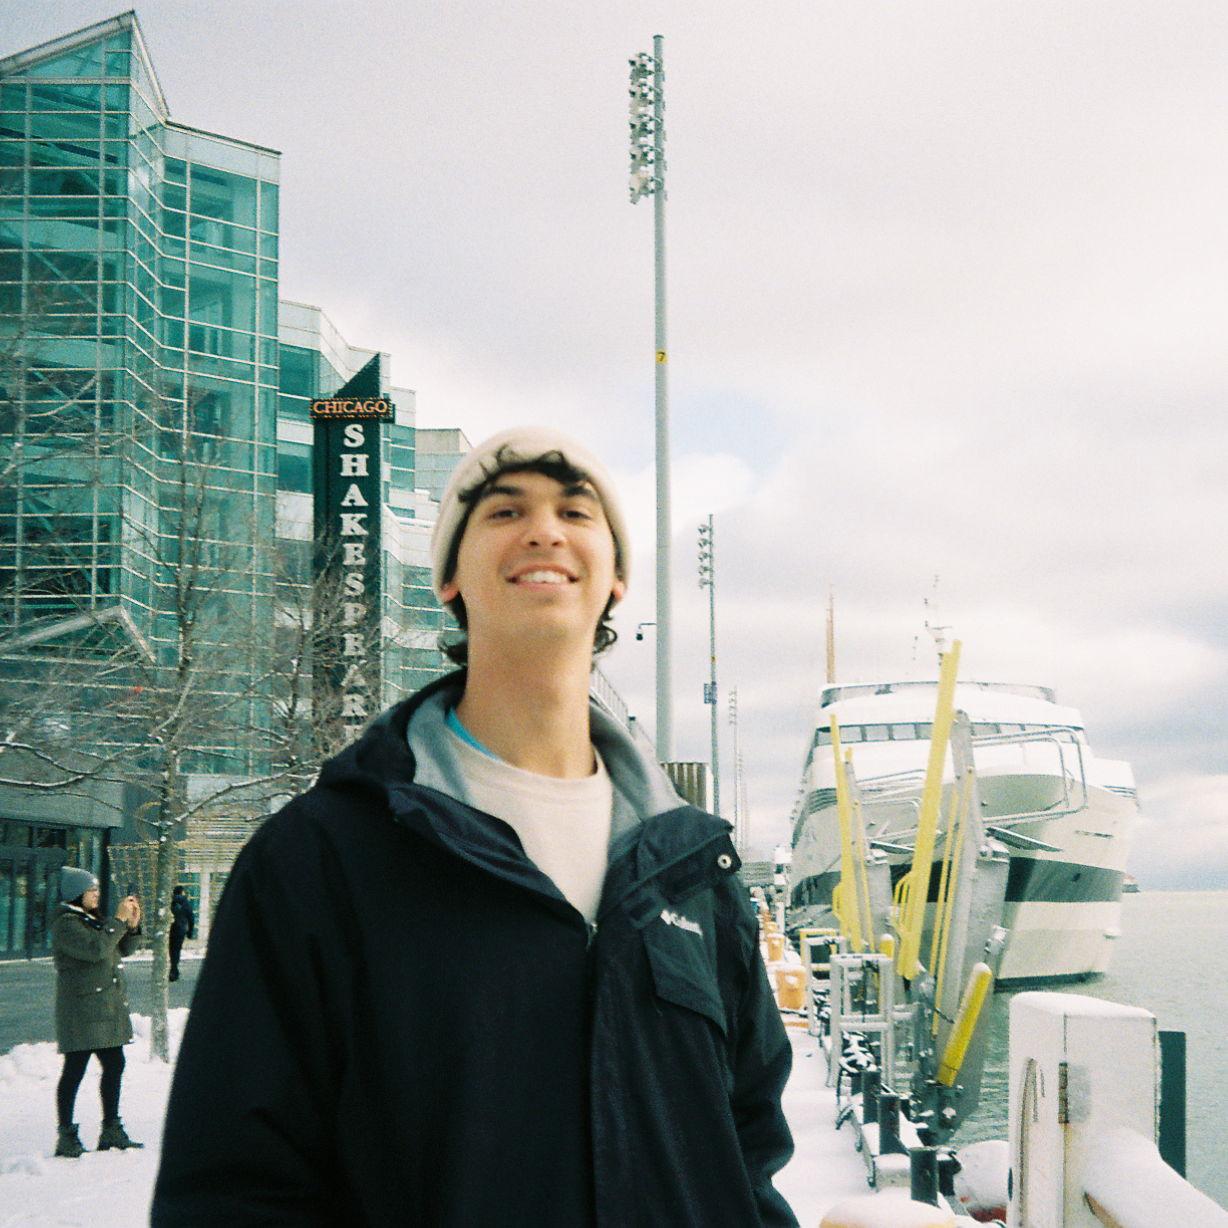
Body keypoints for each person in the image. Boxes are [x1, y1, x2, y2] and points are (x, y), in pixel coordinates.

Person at [153, 428, 798, 1226]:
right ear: (450, 578)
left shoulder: (696, 873)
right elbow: (233, 1187)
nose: (544, 531)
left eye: (575, 511)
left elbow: (747, 1156)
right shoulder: (319, 859)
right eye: (503, 511)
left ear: (618, 578)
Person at [50, 866, 144, 1158]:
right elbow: (96, 950)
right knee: (74, 1070)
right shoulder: (66, 923)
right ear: (76, 893)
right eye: (92, 891)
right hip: (81, 1010)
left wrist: (132, 926)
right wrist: (116, 920)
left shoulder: (92, 920)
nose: (96, 895)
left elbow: (119, 949)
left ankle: (111, 1129)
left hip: (103, 1008)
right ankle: (66, 1135)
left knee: (114, 1064)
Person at [168, 884, 195, 982]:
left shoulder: (170, 902)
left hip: (171, 929)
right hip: (181, 929)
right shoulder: (185, 902)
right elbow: (191, 918)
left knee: (172, 950)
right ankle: (174, 971)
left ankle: (173, 970)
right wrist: (190, 932)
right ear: (182, 892)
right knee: (177, 950)